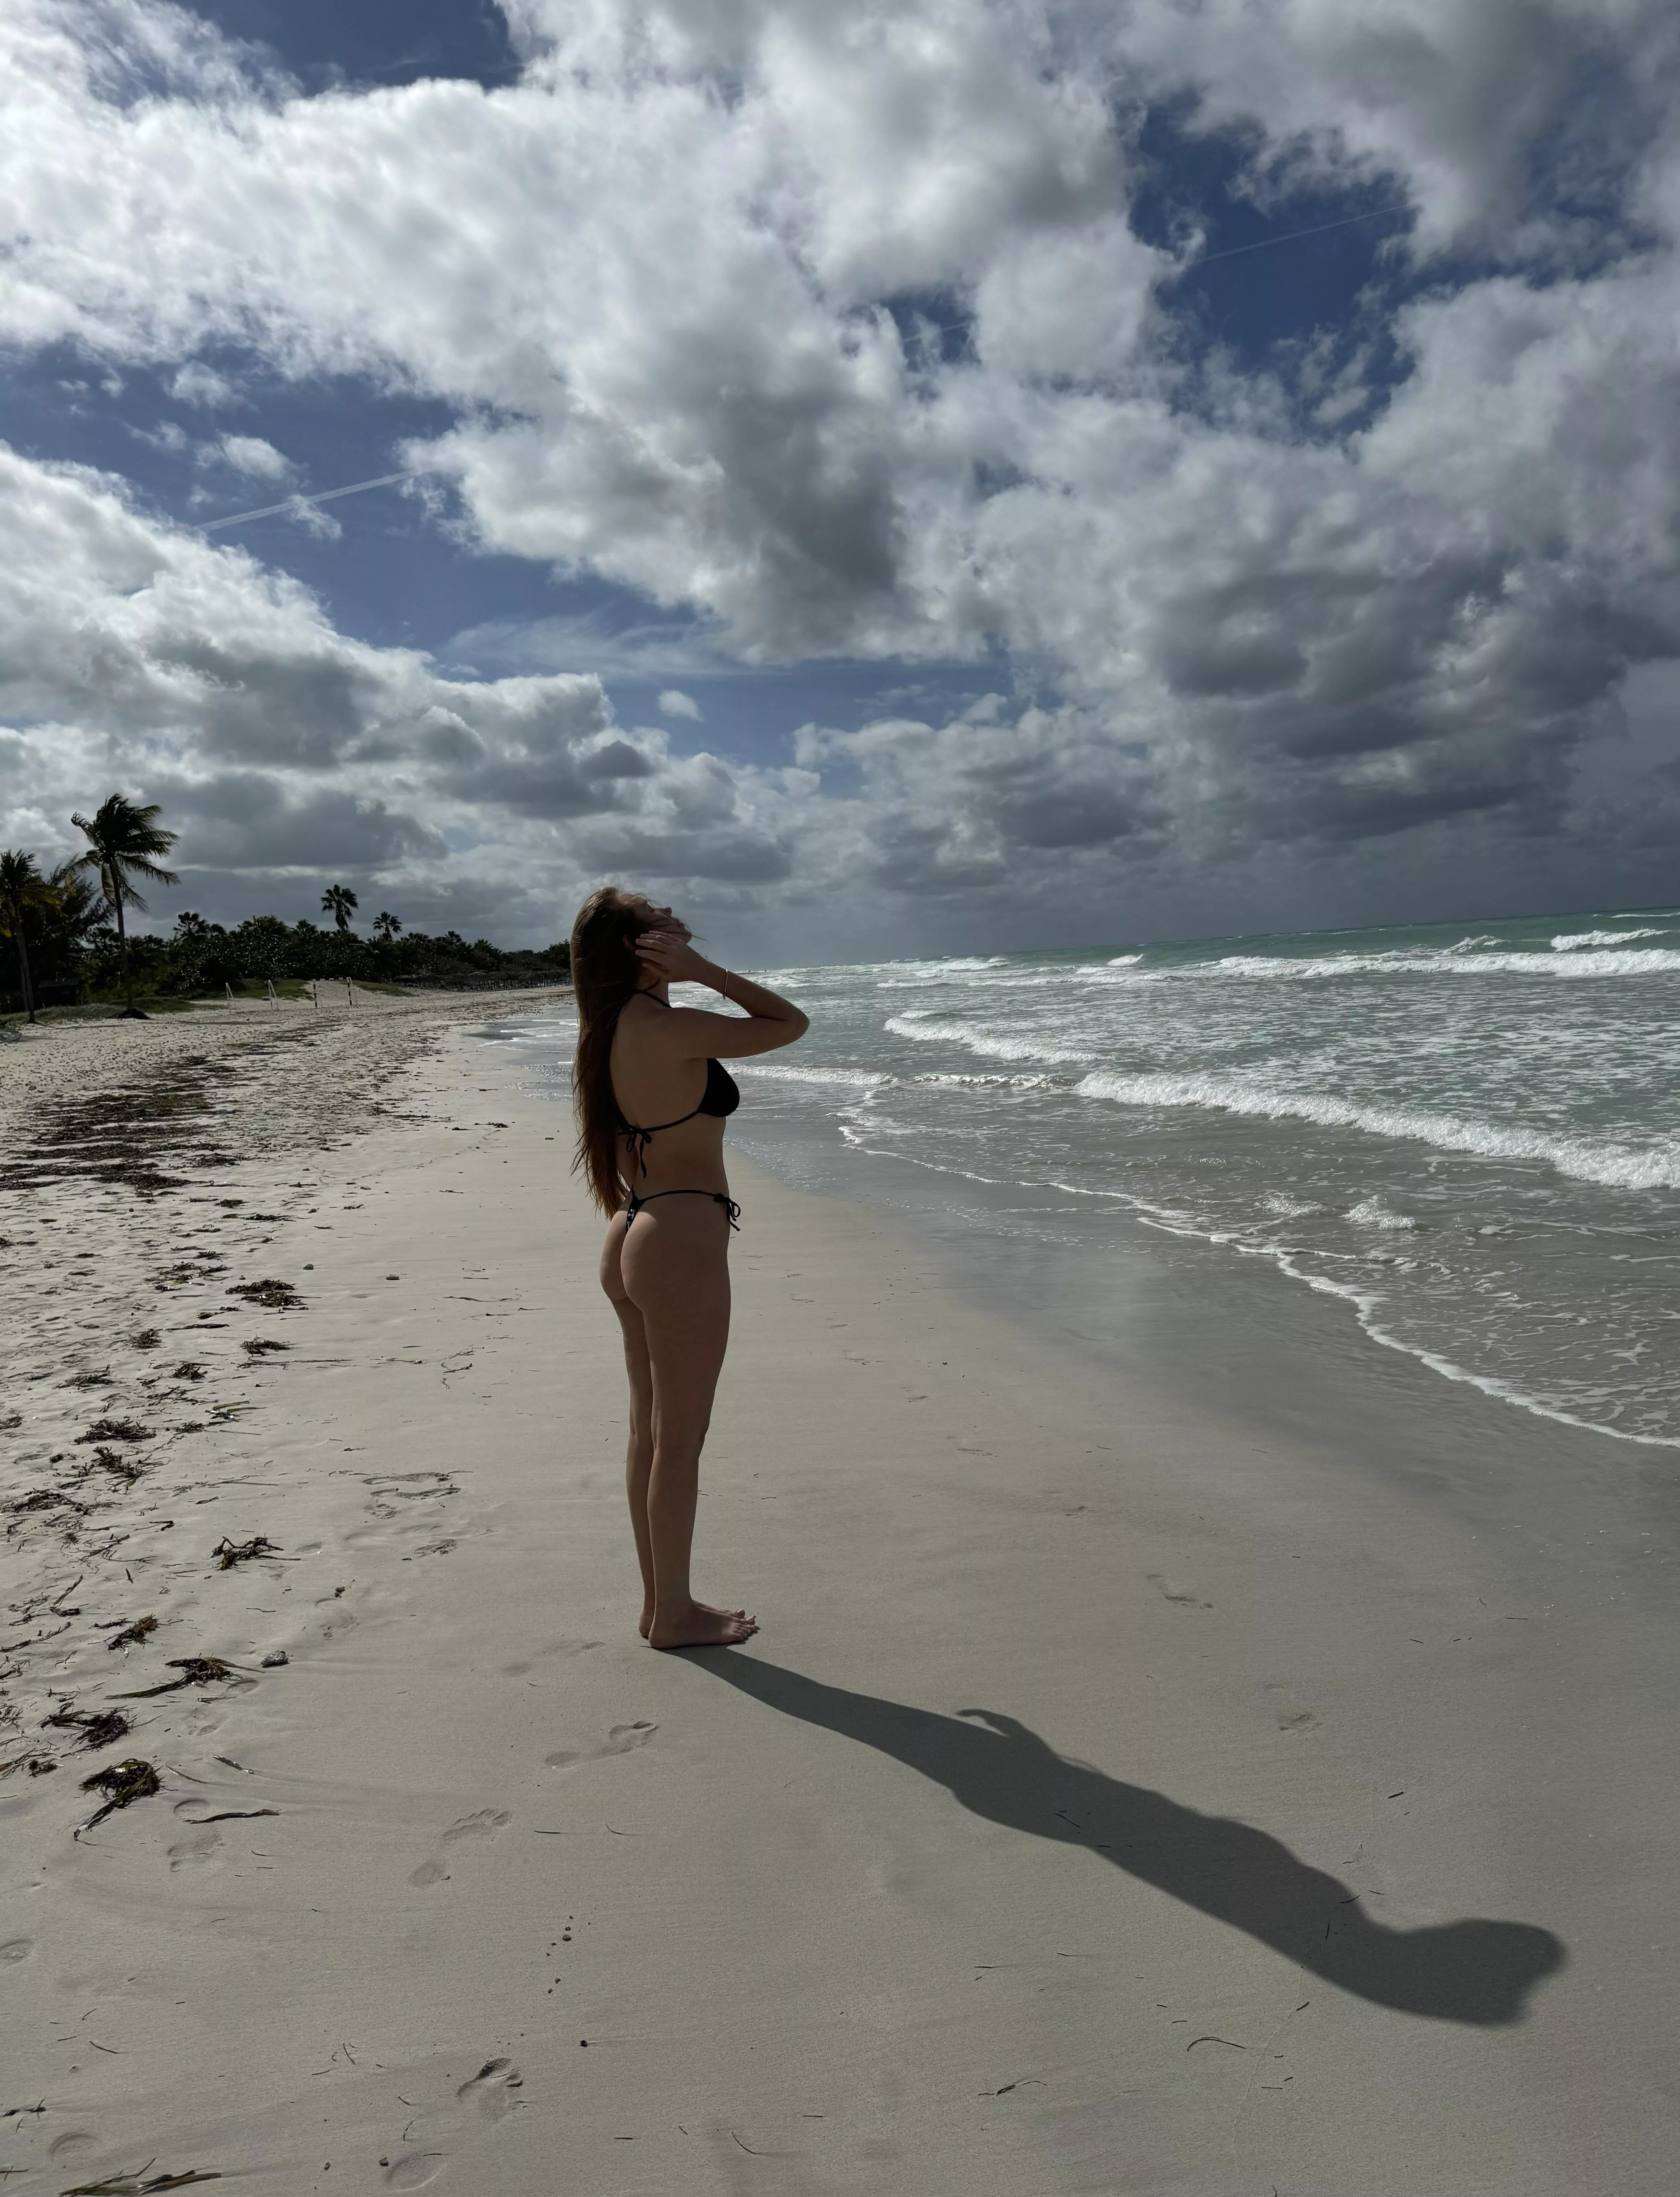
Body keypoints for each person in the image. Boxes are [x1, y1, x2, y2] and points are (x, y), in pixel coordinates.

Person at [570, 887, 809, 1648]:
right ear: (638, 946)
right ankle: (672, 1614)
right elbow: (789, 1024)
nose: (671, 912)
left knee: (648, 1432)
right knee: (677, 1441)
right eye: (654, 915)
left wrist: (685, 970)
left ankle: (660, 1605)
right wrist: (704, 970)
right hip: (676, 1239)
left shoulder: (607, 1031)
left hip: (633, 1230)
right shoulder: (667, 1028)